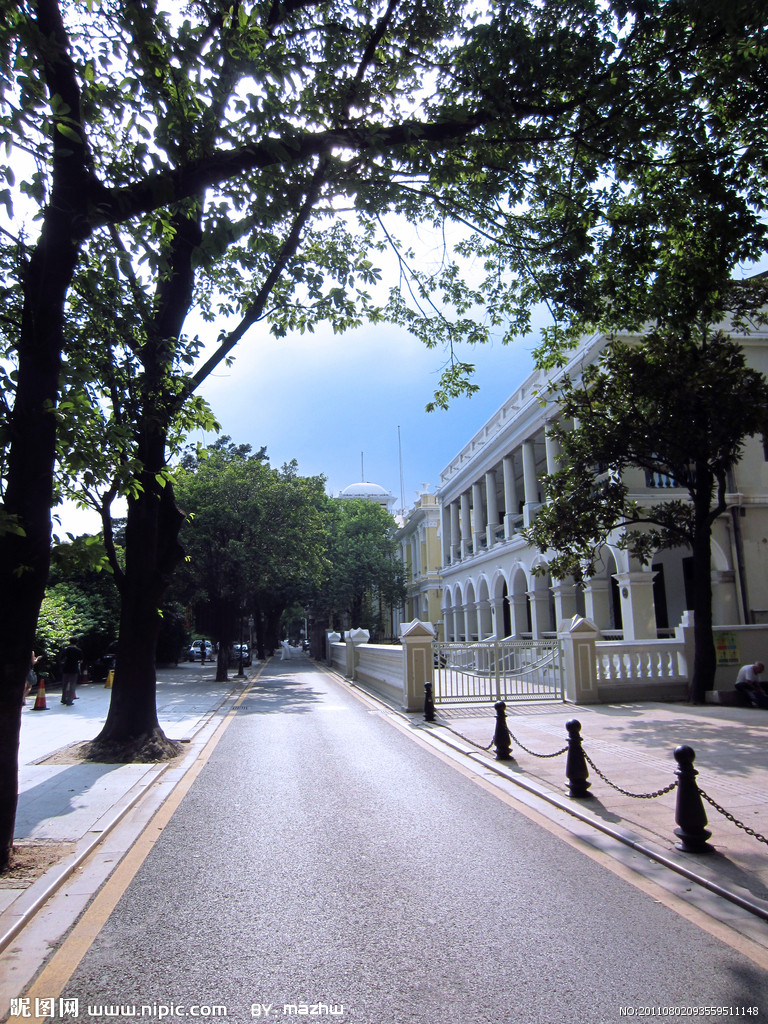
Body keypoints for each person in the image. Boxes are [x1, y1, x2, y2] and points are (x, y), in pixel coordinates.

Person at [60, 637, 83, 706]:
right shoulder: (78, 650)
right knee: (72, 685)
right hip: (74, 668)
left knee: (64, 684)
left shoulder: (65, 649)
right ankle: (70, 700)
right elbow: (81, 661)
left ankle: (63, 699)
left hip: (66, 668)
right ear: (76, 642)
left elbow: (61, 659)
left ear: (69, 642)